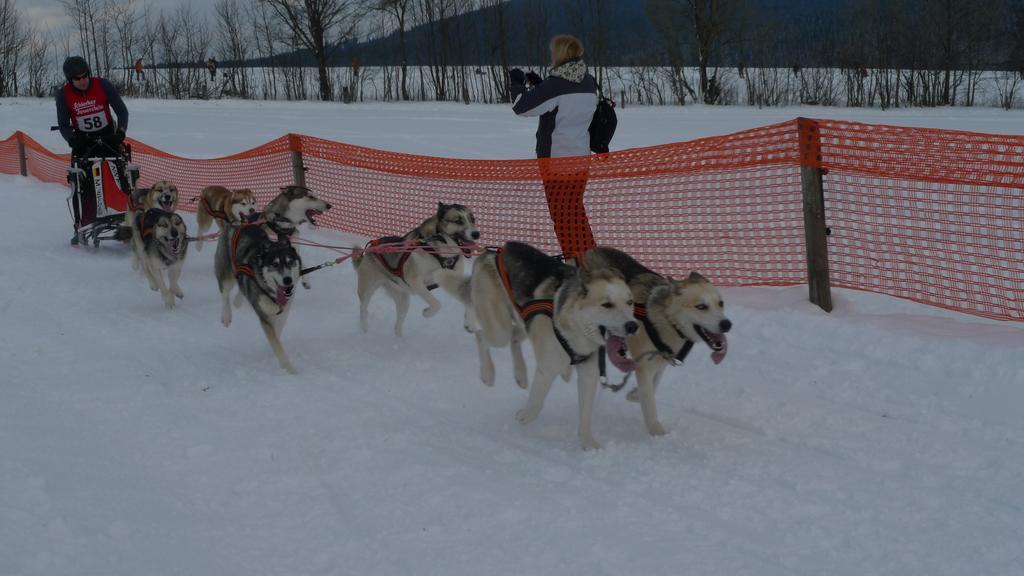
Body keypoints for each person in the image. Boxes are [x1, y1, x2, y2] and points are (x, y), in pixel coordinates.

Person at [508, 34, 598, 263]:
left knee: (561, 215)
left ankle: (574, 261)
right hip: (580, 159)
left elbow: (521, 107)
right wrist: (540, 86)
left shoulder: (555, 85)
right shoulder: (589, 82)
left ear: (560, 54)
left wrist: (517, 83)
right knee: (575, 211)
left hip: (556, 162)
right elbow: (563, 107)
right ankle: (589, 258)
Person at [55, 56, 130, 241]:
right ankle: (87, 220)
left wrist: (120, 132)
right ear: (70, 80)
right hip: (83, 141)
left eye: (84, 76)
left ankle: (127, 214)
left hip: (107, 136)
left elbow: (122, 111)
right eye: (77, 78)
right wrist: (71, 140)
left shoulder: (102, 85)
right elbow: (64, 125)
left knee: (120, 173)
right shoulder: (63, 95)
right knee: (84, 179)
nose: (82, 81)